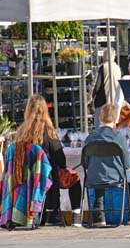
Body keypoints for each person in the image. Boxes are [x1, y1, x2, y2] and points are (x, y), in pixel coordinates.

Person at [13, 95, 82, 227]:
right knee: (74, 177)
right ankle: (72, 217)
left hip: (24, 176)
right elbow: (61, 160)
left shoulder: (20, 133)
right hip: (47, 178)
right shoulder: (48, 131)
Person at [84, 103, 130, 225]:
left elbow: (86, 163)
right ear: (115, 119)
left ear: (100, 118)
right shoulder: (118, 136)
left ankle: (98, 214)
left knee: (99, 174)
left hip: (94, 177)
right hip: (116, 176)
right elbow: (127, 164)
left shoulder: (90, 137)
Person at [90, 48, 122, 129]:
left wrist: (90, 99)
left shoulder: (102, 68)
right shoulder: (118, 68)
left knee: (100, 126)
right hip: (114, 102)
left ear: (104, 56)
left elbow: (96, 85)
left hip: (102, 102)